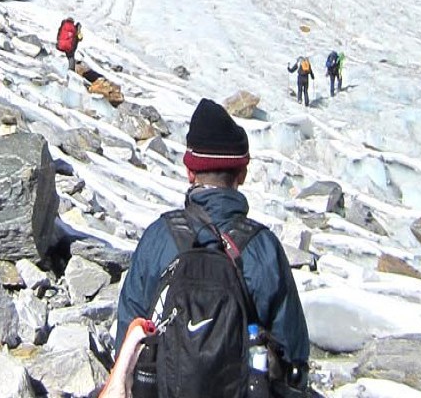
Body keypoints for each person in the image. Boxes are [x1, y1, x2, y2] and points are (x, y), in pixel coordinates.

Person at [115, 98, 309, 397]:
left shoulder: (159, 236)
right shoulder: (263, 246)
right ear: (241, 175)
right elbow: (294, 360)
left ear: (190, 172)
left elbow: (127, 341)